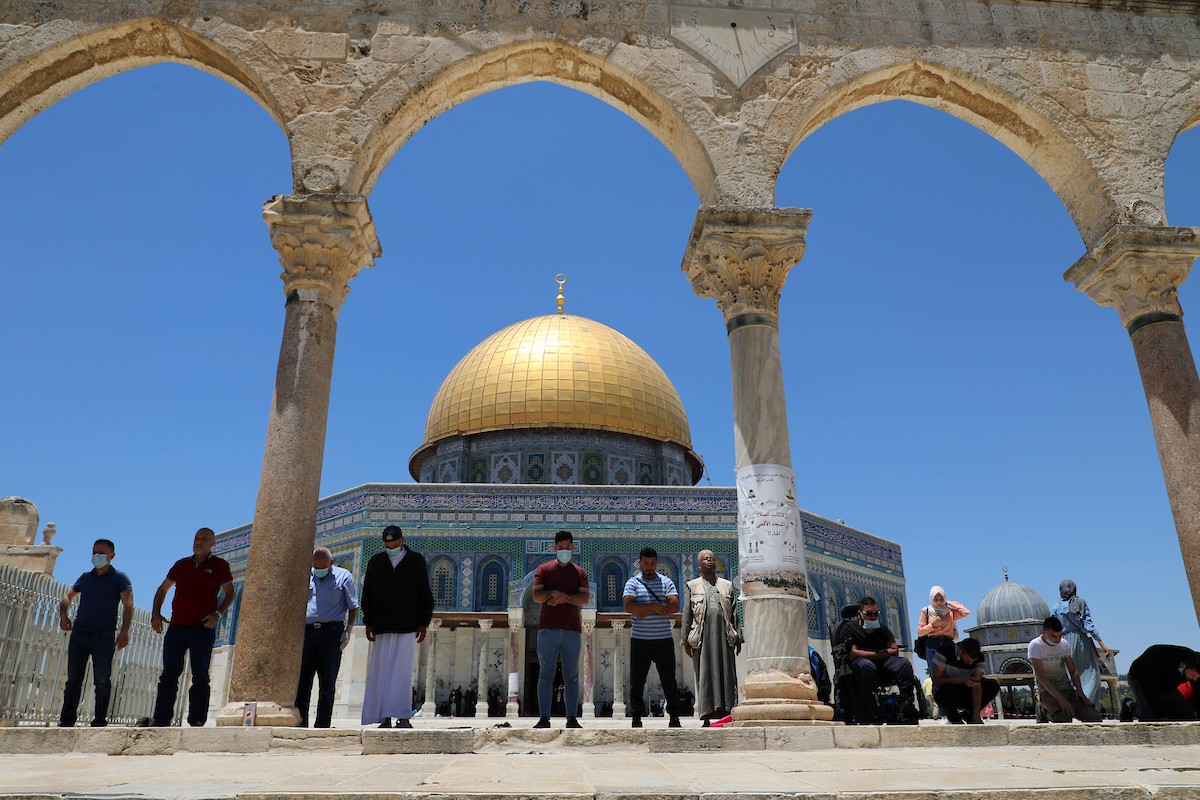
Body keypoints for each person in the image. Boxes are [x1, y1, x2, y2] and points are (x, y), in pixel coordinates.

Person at [150, 527, 234, 727]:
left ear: (212, 544)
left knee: (200, 676)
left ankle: (196, 720)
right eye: (196, 538)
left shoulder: (220, 566)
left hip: (202, 629)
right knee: (169, 674)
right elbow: (162, 589)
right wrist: (156, 613)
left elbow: (230, 593)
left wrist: (217, 614)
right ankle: (161, 720)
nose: (198, 542)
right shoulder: (181, 565)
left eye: (204, 539)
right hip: (177, 627)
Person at [360, 526, 433, 728]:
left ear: (402, 541)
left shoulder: (416, 561)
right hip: (382, 625)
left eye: (394, 545)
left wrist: (423, 622)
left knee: (402, 673)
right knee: (380, 673)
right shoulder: (376, 562)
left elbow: (424, 593)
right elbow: (367, 594)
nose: (391, 549)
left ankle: (402, 716)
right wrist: (368, 622)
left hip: (407, 625)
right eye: (388, 546)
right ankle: (384, 717)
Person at [58, 539, 133, 728]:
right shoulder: (85, 578)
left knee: (102, 680)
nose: (96, 556)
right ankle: (66, 721)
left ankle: (99, 721)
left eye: (101, 553)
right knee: (73, 680)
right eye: (94, 552)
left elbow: (128, 605)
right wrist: (63, 614)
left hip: (103, 636)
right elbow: (67, 596)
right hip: (80, 633)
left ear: (111, 556)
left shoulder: (120, 578)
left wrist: (124, 632)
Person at [531, 529, 589, 729]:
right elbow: (536, 596)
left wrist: (565, 598)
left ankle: (571, 718)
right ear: (555, 548)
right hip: (547, 630)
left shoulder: (579, 572)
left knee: (571, 676)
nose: (565, 550)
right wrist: (553, 593)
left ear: (573, 547)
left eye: (568, 547)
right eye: (561, 547)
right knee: (545, 674)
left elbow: (584, 598)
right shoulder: (544, 570)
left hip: (572, 630)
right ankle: (544, 718)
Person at [295, 547, 358, 728]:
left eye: (323, 566)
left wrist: (348, 631)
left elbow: (353, 606)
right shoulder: (306, 576)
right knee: (303, 681)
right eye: (316, 567)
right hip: (307, 633)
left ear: (332, 562)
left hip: (331, 633)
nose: (319, 569)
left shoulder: (344, 576)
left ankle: (322, 724)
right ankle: (300, 723)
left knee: (327, 682)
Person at [623, 546, 681, 728]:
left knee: (669, 679)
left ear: (657, 563)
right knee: (637, 680)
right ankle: (636, 716)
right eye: (646, 563)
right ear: (639, 563)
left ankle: (674, 716)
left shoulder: (666, 582)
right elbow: (629, 607)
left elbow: (674, 606)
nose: (649, 566)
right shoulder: (632, 583)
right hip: (640, 640)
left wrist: (643, 610)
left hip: (663, 639)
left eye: (652, 563)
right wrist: (656, 607)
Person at [682, 549, 740, 726]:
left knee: (727, 674)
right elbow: (687, 615)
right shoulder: (692, 586)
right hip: (702, 638)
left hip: (724, 636)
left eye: (712, 559)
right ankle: (706, 714)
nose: (709, 561)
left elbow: (734, 614)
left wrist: (738, 638)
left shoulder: (726, 585)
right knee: (704, 675)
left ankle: (727, 712)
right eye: (705, 559)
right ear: (699, 565)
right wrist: (685, 641)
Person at [843, 596, 919, 724]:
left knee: (903, 663)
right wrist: (877, 654)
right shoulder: (849, 628)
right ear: (860, 614)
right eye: (869, 614)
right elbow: (853, 653)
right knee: (866, 665)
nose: (873, 617)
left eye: (876, 614)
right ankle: (873, 706)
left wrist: (879, 654)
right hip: (862, 664)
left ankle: (906, 704)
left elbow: (894, 650)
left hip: (883, 664)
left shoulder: (882, 629)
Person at [1027, 616, 1102, 723]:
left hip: (1066, 688)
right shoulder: (1035, 645)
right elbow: (1040, 675)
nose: (1057, 640)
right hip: (1046, 691)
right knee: (1063, 718)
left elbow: (1073, 670)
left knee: (1093, 717)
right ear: (1044, 632)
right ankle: (1043, 711)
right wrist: (1061, 700)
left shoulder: (1064, 644)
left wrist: (1079, 691)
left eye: (1060, 636)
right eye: (1053, 636)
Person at [1053, 579, 1111, 710]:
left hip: (1063, 642)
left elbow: (1053, 627)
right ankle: (1085, 703)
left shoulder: (1056, 607)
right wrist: (1102, 644)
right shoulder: (1080, 603)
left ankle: (1070, 703)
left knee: (1068, 674)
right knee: (1091, 674)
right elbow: (1089, 626)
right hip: (1080, 642)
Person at [928, 637, 999, 724]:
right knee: (949, 689)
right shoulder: (945, 651)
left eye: (973, 661)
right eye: (968, 659)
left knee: (992, 685)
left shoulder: (980, 658)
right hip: (946, 692)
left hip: (966, 691)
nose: (970, 663)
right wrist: (961, 680)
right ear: (960, 650)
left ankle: (970, 714)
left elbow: (977, 685)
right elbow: (936, 681)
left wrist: (976, 715)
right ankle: (953, 715)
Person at [1126, 644, 1200, 721]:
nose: (1195, 679)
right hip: (1141, 680)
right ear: (1183, 665)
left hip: (1166, 686)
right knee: (1152, 717)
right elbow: (1148, 689)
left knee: (1188, 717)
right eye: (1193, 675)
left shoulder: (1196, 667)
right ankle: (1130, 705)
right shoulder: (1158, 659)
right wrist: (1161, 716)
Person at [916, 585, 969, 662]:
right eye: (935, 599)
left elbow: (966, 612)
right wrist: (932, 625)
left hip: (948, 644)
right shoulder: (926, 611)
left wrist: (950, 603)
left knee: (950, 668)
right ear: (931, 598)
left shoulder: (950, 612)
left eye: (941, 599)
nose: (939, 602)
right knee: (935, 669)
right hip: (933, 645)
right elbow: (920, 632)